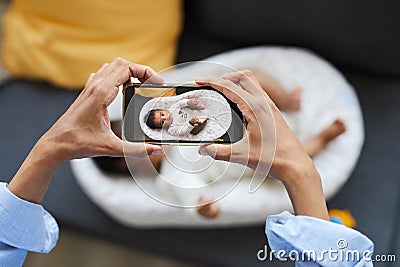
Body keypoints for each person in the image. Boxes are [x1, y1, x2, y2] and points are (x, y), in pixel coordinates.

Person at [0, 59, 373, 266]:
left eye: (158, 124)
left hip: (241, 122)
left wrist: (196, 110)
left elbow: (198, 106)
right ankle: (319, 140)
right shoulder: (168, 182)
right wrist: (207, 209)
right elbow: (197, 201)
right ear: (128, 167)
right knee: (283, 167)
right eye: (142, 152)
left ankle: (288, 102)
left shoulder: (178, 117)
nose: (158, 141)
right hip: (245, 159)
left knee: (248, 79)